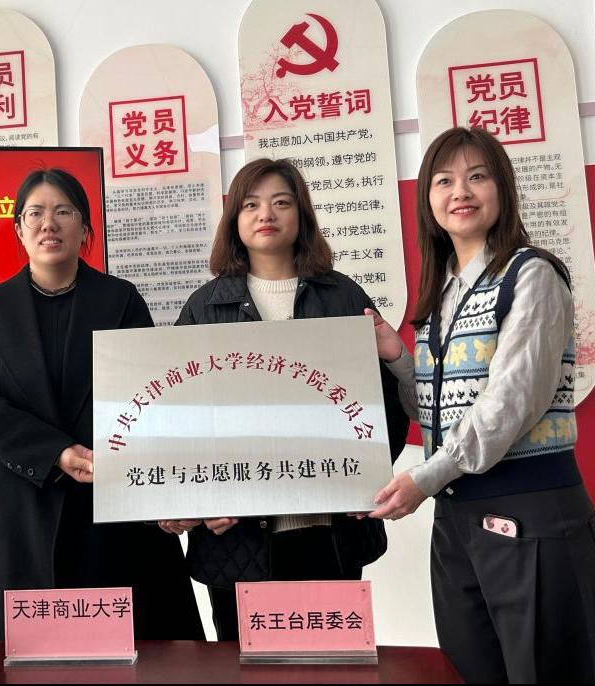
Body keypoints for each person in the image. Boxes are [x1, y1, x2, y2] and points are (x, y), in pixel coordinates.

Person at [367, 127, 595, 684]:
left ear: (502, 188)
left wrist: (424, 478)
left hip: (531, 511)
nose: (461, 191)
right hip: (457, 519)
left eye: (477, 176)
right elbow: (435, 412)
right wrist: (398, 358)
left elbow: (511, 403)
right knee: (470, 670)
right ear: (428, 200)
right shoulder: (443, 292)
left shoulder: (532, 275)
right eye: (444, 181)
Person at [0, 168, 203, 642]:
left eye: (63, 211)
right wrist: (55, 452)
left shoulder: (120, 299)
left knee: (127, 647)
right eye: (36, 214)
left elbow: (151, 396)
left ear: (84, 228)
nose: (49, 224)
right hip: (16, 506)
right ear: (19, 229)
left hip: (111, 500)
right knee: (16, 655)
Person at [158, 157, 410, 641]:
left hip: (328, 531)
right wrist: (196, 497)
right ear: (234, 219)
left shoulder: (342, 297)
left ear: (302, 214)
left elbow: (384, 402)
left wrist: (368, 476)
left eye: (281, 202)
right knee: (246, 667)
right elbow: (177, 420)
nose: (266, 214)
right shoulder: (205, 306)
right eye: (251, 204)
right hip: (237, 539)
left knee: (332, 662)